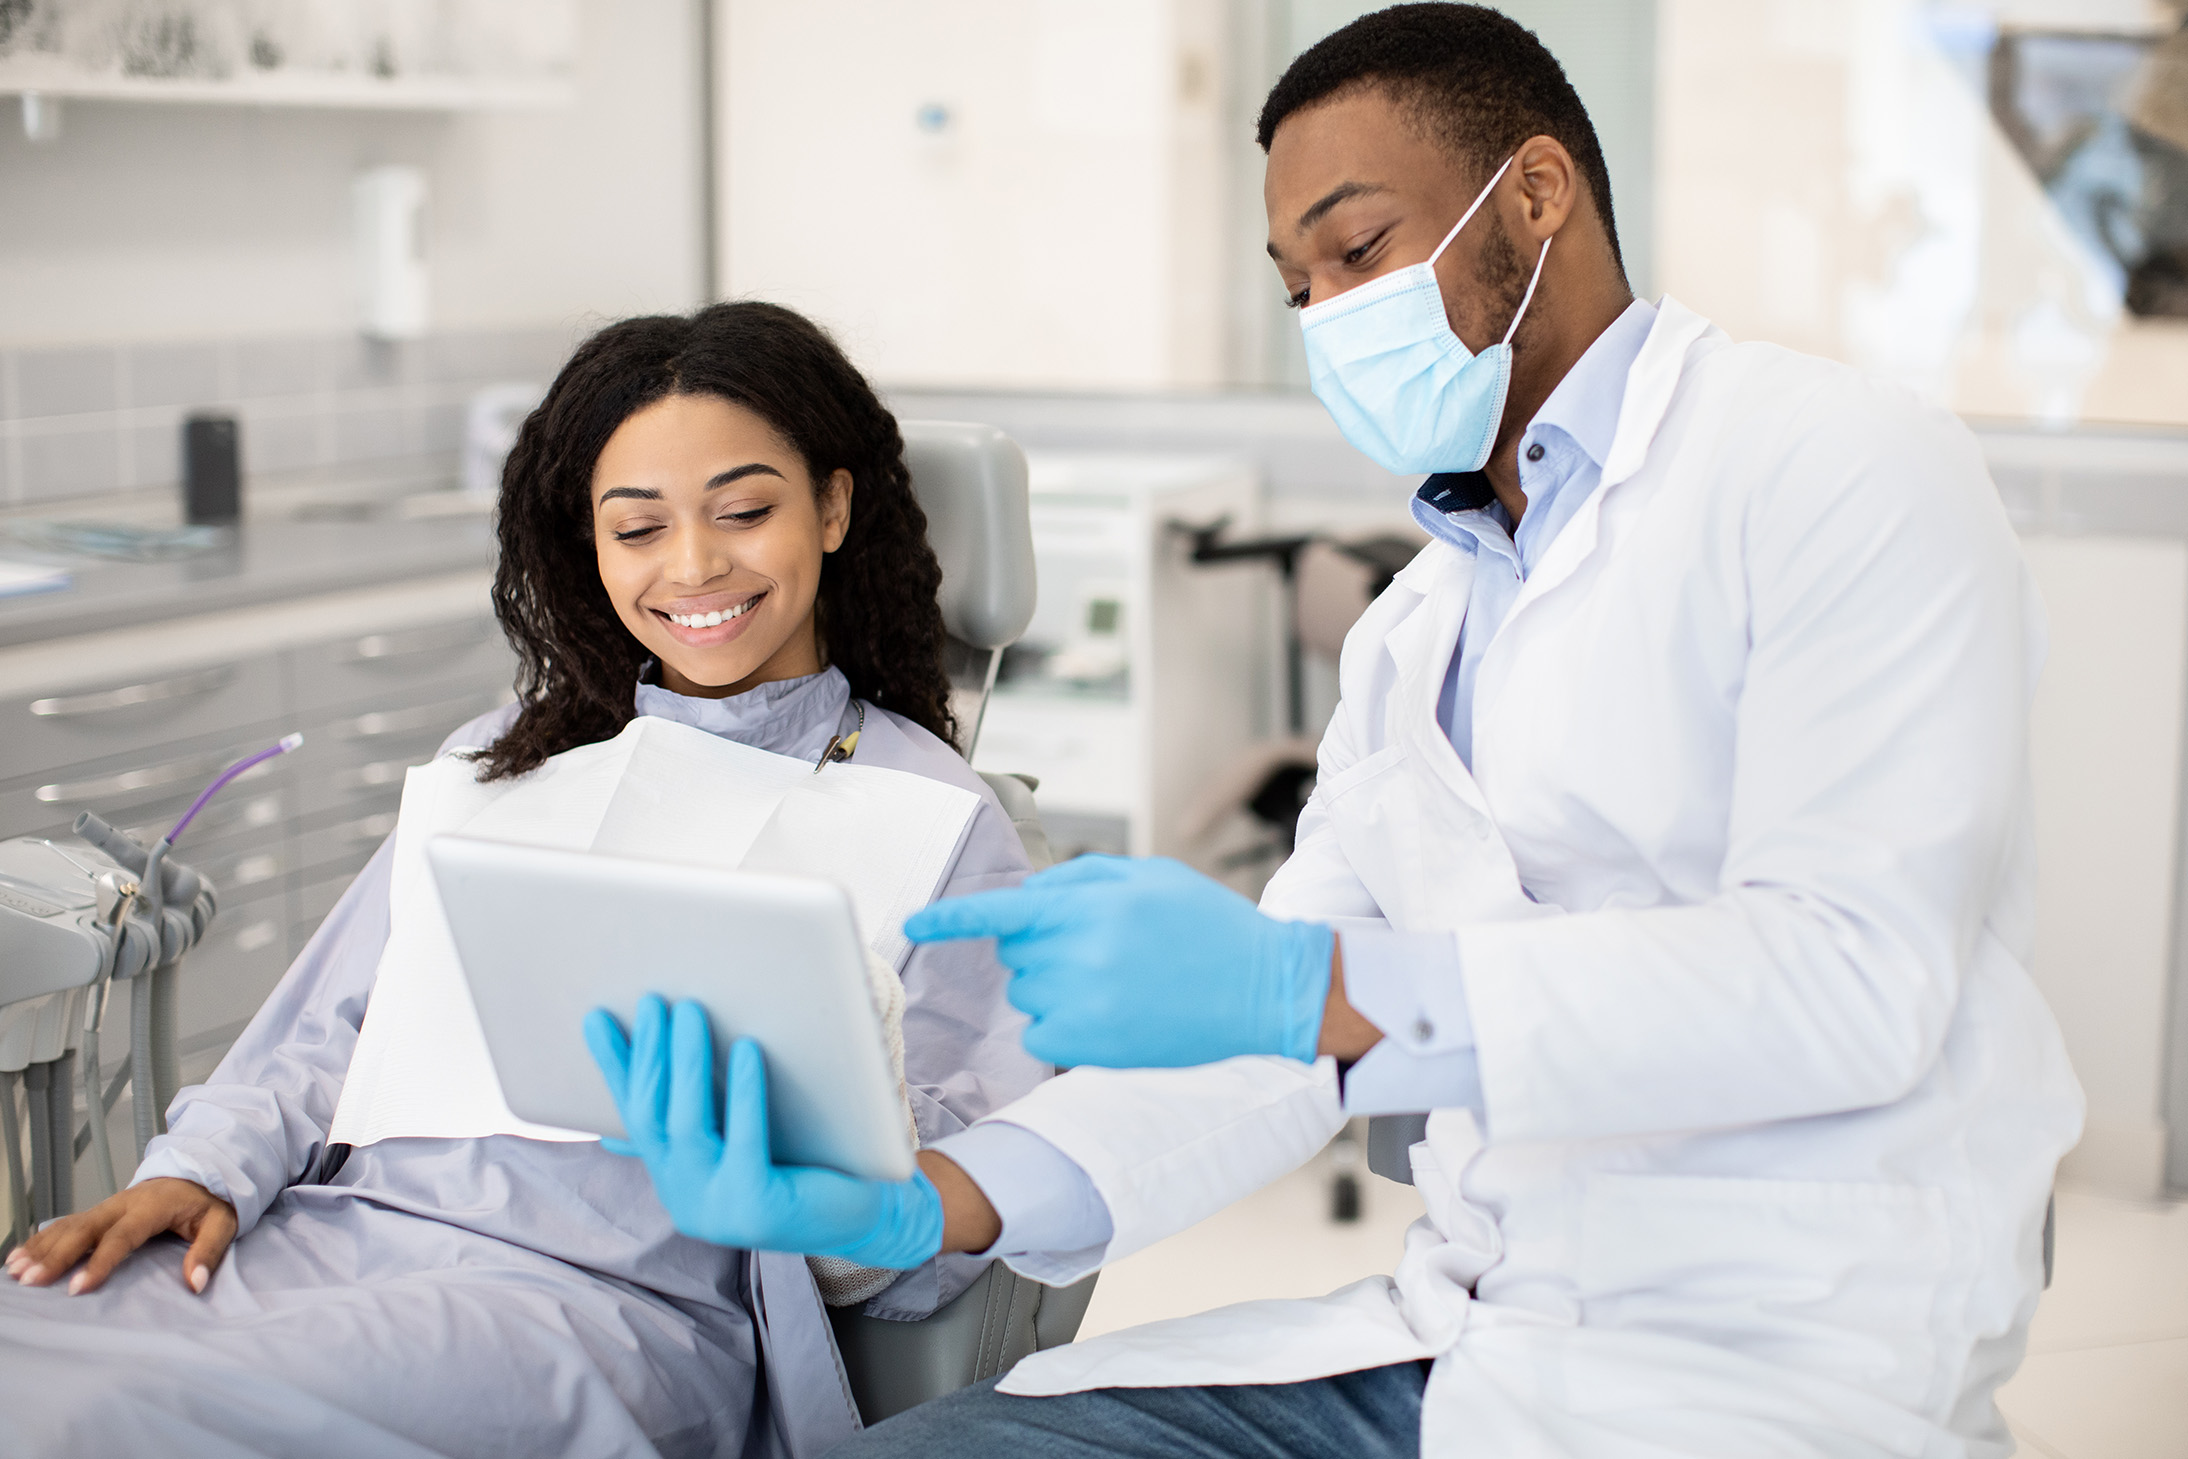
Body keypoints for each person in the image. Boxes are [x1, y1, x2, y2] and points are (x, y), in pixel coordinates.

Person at [596, 9, 2083, 1458]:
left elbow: (1848, 978)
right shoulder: (1416, 627)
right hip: (1463, 1344)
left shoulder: (1833, 466)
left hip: (1784, 1363)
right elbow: (1268, 1058)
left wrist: (1311, 985)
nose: (1325, 315)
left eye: (1358, 249)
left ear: (1539, 193)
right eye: (1298, 284)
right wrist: (935, 1200)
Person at [0, 301, 1047, 1458]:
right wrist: (200, 1170)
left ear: (834, 507)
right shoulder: (505, 756)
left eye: (744, 512)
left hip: (594, 1308)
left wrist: (839, 1113)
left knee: (118, 1421)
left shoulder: (938, 819)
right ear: (587, 545)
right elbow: (327, 1032)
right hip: (327, 1241)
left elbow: (930, 1226)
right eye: (637, 528)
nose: (694, 564)